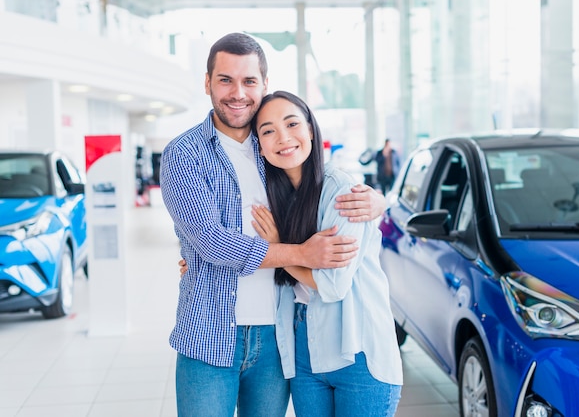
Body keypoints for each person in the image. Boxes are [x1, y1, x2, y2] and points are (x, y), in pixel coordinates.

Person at [159, 32, 386, 417]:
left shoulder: (276, 151)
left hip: (279, 337)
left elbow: (324, 185)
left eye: (249, 81)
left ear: (264, 83)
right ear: (207, 83)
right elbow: (212, 243)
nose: (238, 93)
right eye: (225, 80)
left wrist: (379, 201)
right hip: (209, 333)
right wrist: (299, 253)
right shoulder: (184, 154)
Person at [250, 91, 403, 416]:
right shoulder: (272, 195)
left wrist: (280, 247)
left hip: (358, 348)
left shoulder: (342, 192)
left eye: (292, 124)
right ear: (259, 144)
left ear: (310, 129)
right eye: (268, 131)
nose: (283, 138)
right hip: (305, 348)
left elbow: (332, 285)